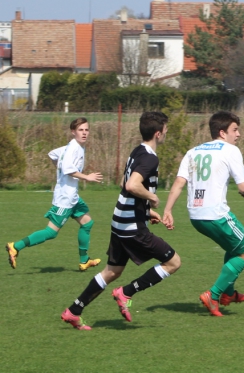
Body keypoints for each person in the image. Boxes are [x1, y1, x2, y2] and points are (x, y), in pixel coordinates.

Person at [61, 112, 180, 330]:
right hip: (131, 227)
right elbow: (132, 185)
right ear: (158, 133)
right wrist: (152, 198)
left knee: (112, 271)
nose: (166, 133)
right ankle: (126, 293)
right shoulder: (150, 157)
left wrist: (146, 212)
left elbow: (124, 185)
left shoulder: (137, 151)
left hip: (121, 220)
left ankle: (73, 311)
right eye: (165, 130)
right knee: (173, 262)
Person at [163, 111, 244, 317]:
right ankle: (214, 295)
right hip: (216, 214)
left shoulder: (193, 151)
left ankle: (228, 293)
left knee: (236, 243)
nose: (238, 134)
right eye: (235, 130)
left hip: (196, 216)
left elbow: (179, 182)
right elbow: (243, 187)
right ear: (222, 132)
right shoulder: (230, 150)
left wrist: (167, 210)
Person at [6, 118, 103, 271]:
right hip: (65, 199)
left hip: (73, 197)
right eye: (80, 130)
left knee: (87, 223)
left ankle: (84, 260)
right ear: (73, 132)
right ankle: (15, 246)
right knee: (51, 232)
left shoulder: (73, 146)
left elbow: (52, 154)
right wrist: (86, 177)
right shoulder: (73, 148)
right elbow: (67, 169)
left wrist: (60, 172)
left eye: (86, 129)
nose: (84, 133)